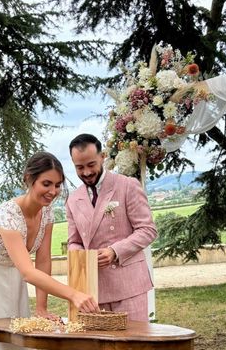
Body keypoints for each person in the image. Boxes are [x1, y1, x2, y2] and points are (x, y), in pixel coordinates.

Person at [0, 151, 98, 350]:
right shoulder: (6, 216)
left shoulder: (47, 212)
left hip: (16, 281)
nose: (52, 191)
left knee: (19, 343)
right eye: (46, 183)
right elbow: (28, 271)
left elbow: (43, 261)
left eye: (58, 185)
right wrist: (73, 295)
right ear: (29, 179)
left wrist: (41, 307)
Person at [66, 133, 157, 321]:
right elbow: (74, 242)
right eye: (79, 167)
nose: (87, 172)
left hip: (129, 286)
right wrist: (84, 257)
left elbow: (147, 230)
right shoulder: (73, 199)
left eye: (91, 164)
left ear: (103, 156)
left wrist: (114, 251)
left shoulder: (127, 185)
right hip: (92, 290)